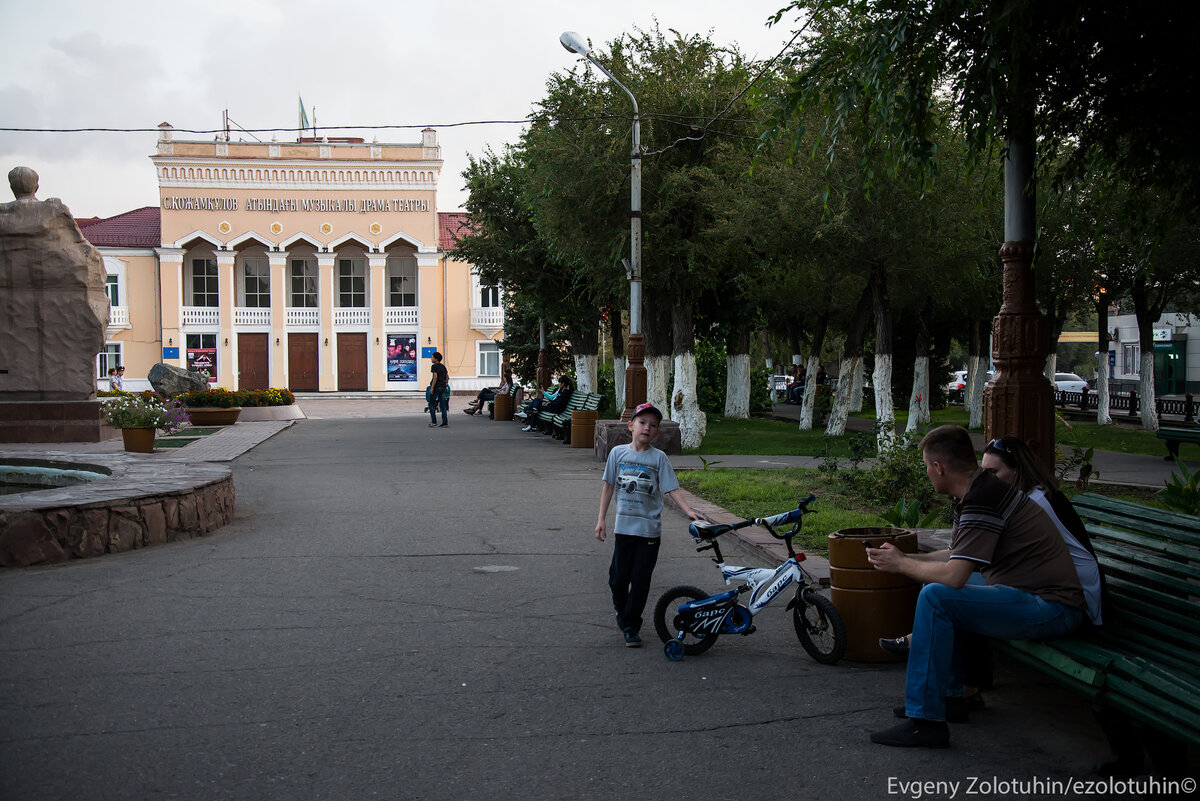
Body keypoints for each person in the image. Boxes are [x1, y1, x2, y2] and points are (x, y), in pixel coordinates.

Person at [864, 425, 1085, 748]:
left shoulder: (983, 497)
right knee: (943, 594)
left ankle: (925, 720)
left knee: (937, 597)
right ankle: (951, 698)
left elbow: (955, 576)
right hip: (1028, 594)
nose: (927, 473)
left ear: (938, 467)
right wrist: (906, 556)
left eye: (927, 467)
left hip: (1052, 607)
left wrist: (900, 565)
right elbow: (958, 554)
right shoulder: (977, 491)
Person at [595, 402, 706, 647]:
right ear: (631, 425)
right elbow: (609, 486)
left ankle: (631, 626)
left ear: (656, 433)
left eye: (653, 425)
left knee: (641, 579)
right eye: (642, 422)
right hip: (623, 529)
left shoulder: (659, 458)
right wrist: (601, 519)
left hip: (649, 532)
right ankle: (623, 613)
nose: (647, 428)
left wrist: (688, 510)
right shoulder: (618, 454)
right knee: (618, 579)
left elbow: (671, 488)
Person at [427, 352, 449, 428]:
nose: (431, 358)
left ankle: (434, 421)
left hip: (436, 387)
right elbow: (447, 376)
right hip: (443, 387)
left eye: (432, 357)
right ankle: (445, 422)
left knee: (431, 404)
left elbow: (435, 377)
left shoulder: (434, 366)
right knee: (443, 405)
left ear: (436, 359)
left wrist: (432, 387)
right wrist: (446, 383)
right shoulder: (443, 367)